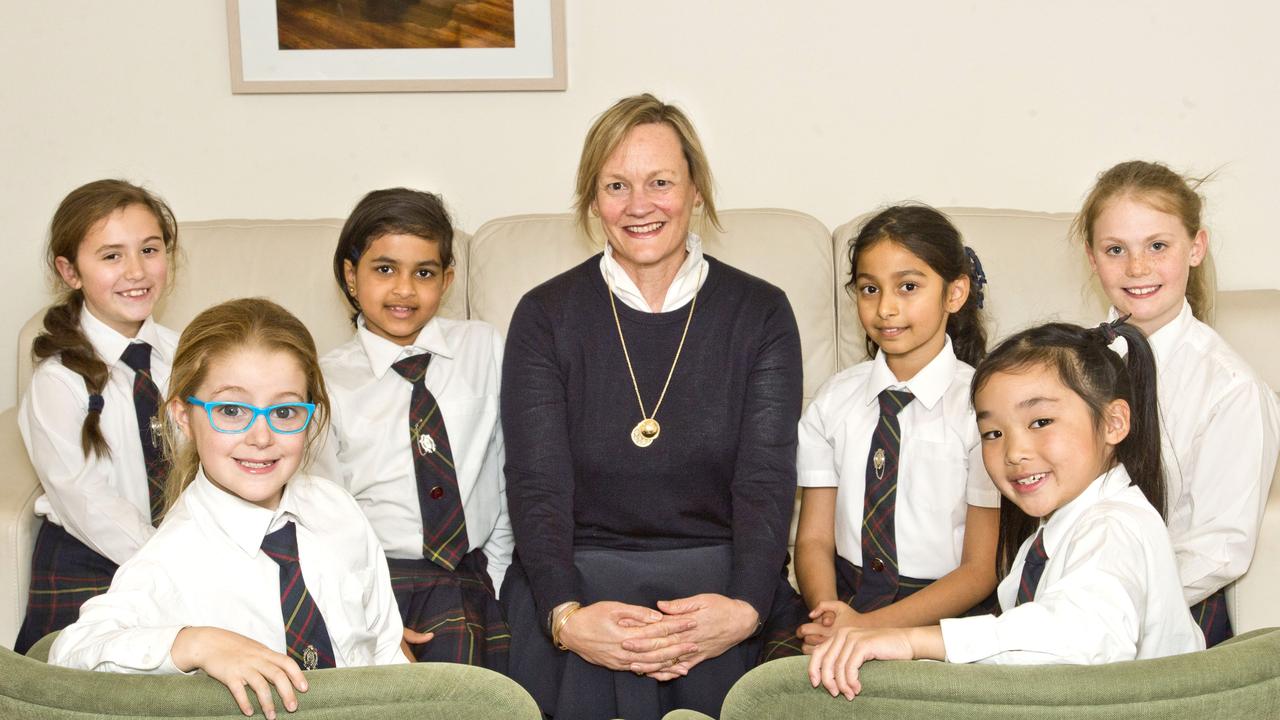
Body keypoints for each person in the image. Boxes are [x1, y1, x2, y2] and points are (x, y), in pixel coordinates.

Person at [500, 93, 807, 720]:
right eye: (617, 185)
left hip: (720, 584)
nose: (639, 206)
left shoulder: (761, 312)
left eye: (660, 181)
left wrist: (745, 610)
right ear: (593, 201)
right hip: (579, 581)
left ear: (695, 190)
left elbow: (766, 480)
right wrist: (566, 618)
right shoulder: (544, 315)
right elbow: (537, 484)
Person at [50, 298, 413, 720]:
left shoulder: (337, 510)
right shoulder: (171, 558)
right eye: (231, 410)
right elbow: (71, 652)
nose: (261, 436)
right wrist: (197, 643)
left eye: (285, 410)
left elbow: (385, 650)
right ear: (183, 417)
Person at [808, 318, 1205, 699]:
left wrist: (914, 639)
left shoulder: (1114, 527)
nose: (1014, 453)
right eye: (993, 433)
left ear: (1113, 422)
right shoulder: (1060, 526)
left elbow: (1076, 636)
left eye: (1040, 421)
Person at [1076, 160, 1280, 646]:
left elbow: (1220, 548)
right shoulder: (1065, 363)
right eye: (1115, 249)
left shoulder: (1231, 389)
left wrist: (1117, 598)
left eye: (1158, 246)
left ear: (1196, 248)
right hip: (1063, 590)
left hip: (1170, 612)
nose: (1137, 267)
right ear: (1092, 257)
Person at [316, 188, 512, 669]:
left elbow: (510, 471)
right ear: (351, 275)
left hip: (473, 574)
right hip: (377, 579)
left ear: (446, 280)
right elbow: (323, 512)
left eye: (422, 273)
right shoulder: (324, 380)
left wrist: (503, 580)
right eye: (384, 270)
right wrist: (365, 612)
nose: (404, 290)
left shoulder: (484, 348)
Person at [793, 206, 999, 653]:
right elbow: (812, 538)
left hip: (944, 615)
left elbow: (980, 570)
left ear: (955, 292)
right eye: (870, 289)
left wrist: (869, 629)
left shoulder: (984, 410)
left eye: (908, 287)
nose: (886, 308)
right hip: (843, 598)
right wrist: (828, 611)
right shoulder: (833, 402)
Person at [15, 179, 180, 653]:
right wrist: (171, 566)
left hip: (177, 554)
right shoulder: (57, 380)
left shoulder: (184, 354)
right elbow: (86, 500)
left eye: (149, 250)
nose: (135, 271)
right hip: (88, 561)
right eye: (111, 256)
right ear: (70, 271)